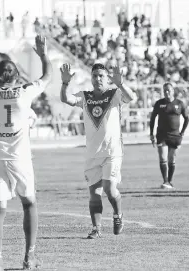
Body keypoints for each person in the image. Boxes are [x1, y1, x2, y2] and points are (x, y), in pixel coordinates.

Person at [0, 35, 52, 271]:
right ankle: (29, 258)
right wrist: (43, 54)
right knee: (30, 205)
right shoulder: (22, 92)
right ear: (16, 76)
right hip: (19, 159)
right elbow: (47, 77)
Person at [60, 63, 135, 239]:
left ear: (107, 78)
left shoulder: (115, 94)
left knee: (109, 188)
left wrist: (120, 83)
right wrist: (64, 84)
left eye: (101, 75)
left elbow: (132, 97)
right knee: (94, 194)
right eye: (95, 75)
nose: (98, 78)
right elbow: (66, 99)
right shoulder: (85, 97)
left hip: (112, 152)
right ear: (91, 78)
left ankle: (118, 215)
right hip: (92, 154)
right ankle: (96, 228)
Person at [149, 82, 189, 189]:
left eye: (169, 90)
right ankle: (165, 181)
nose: (167, 92)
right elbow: (152, 119)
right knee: (162, 158)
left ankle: (170, 181)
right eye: (165, 90)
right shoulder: (159, 103)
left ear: (173, 91)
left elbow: (187, 118)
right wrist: (151, 134)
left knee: (172, 159)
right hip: (161, 135)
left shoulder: (180, 103)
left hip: (175, 136)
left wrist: (182, 132)